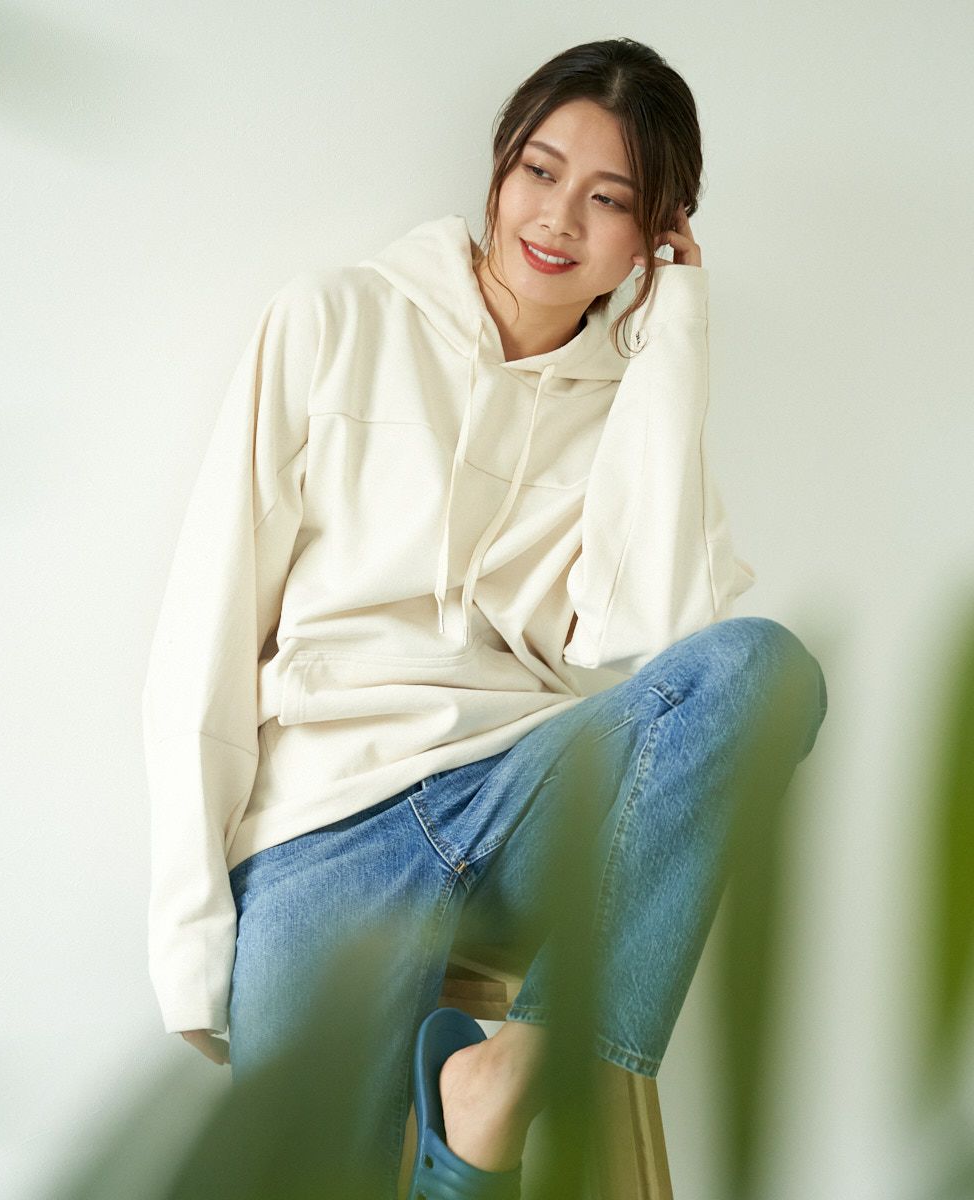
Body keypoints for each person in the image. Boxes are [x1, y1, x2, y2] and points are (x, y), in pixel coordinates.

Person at [140, 36, 827, 1199]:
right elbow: (205, 631)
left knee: (765, 672)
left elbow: (663, 632)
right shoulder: (335, 321)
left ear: (654, 234)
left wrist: (674, 338)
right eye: (541, 172)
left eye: (610, 199)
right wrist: (191, 935)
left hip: (523, 797)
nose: (558, 218)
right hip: (325, 822)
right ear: (501, 165)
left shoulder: (633, 405)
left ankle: (506, 1079)